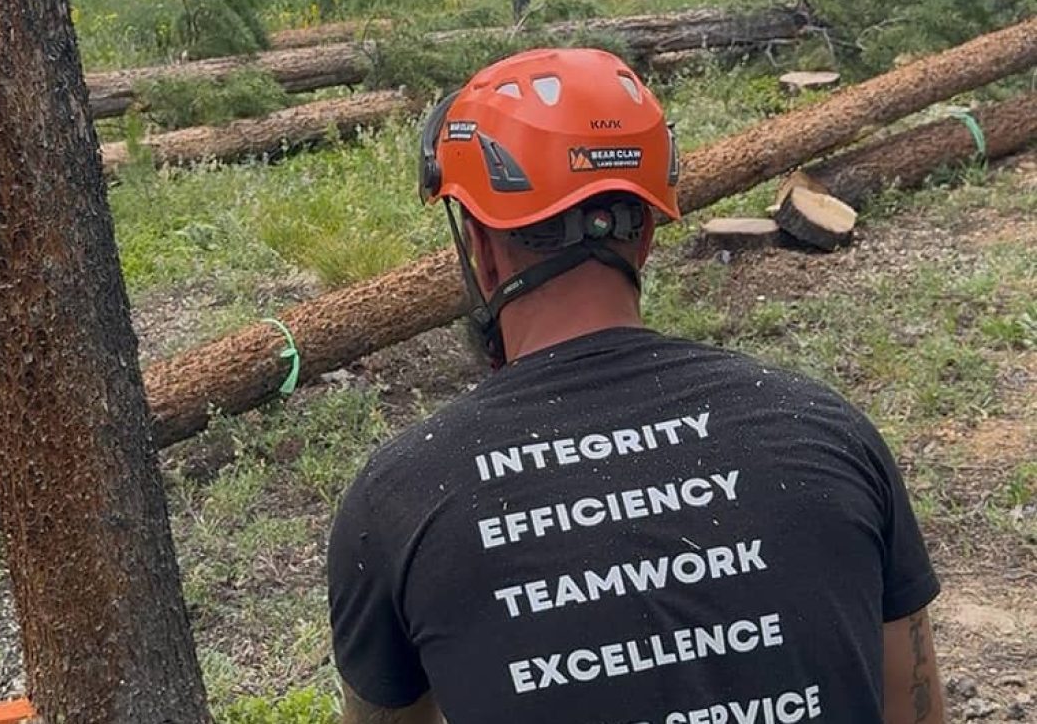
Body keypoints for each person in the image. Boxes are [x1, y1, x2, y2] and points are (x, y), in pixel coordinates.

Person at [327, 48, 944, 724]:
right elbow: (914, 709)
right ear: (646, 233)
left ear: (480, 247)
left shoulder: (400, 498)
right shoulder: (827, 431)